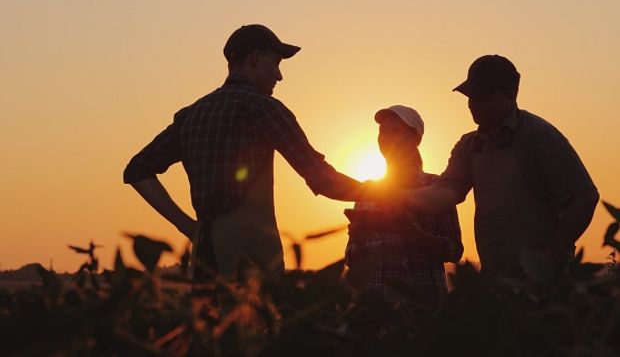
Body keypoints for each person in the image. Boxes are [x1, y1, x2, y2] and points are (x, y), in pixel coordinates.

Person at [123, 24, 362, 279]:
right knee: (256, 319)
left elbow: (137, 170)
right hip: (253, 260)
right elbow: (322, 179)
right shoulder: (262, 108)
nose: (279, 75)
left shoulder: (192, 115)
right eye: (276, 62)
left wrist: (188, 228)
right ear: (256, 58)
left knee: (209, 319)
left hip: (204, 257)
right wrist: (385, 195)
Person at [382, 55, 599, 278]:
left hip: (546, 282)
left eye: (482, 96)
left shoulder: (538, 135)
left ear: (510, 95)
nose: (472, 103)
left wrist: (549, 257)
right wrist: (394, 196)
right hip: (496, 278)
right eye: (470, 96)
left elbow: (585, 197)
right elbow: (443, 194)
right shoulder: (469, 146)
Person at [345, 105, 463, 307]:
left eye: (395, 131)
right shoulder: (367, 191)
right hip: (376, 307)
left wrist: (412, 233)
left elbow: (453, 251)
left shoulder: (436, 187)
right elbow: (351, 259)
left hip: (424, 305)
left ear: (415, 139)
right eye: (383, 131)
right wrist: (358, 237)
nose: (386, 137)